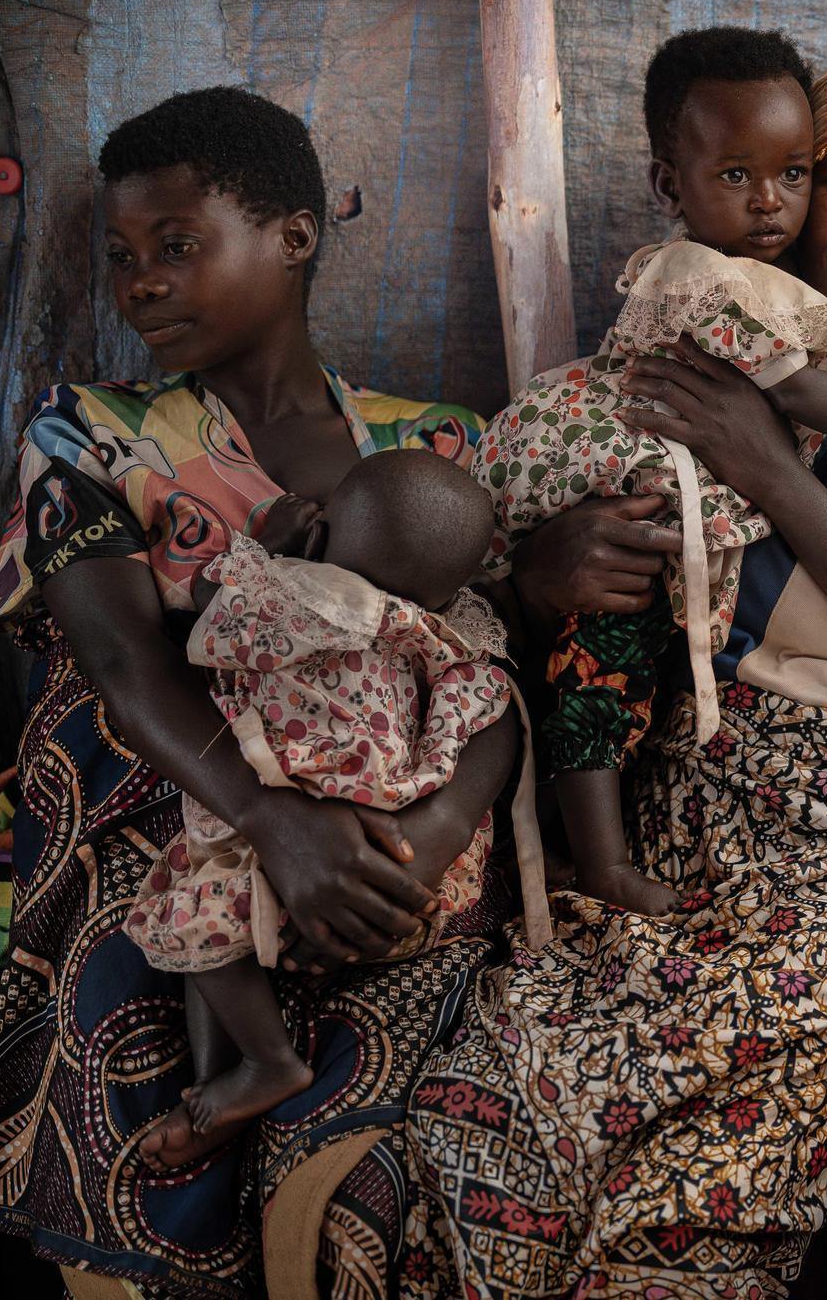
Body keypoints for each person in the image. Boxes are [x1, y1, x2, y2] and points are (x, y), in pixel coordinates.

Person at [402, 52, 827, 1298]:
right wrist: (552, 563)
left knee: (702, 1167)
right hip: (673, 835)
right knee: (485, 1104)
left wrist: (767, 471)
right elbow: (550, 539)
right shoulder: (695, 355)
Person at [0, 87, 518, 1299]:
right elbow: (116, 666)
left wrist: (424, 841)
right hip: (163, 804)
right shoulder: (89, 434)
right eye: (121, 258)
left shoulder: (440, 448)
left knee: (387, 1125)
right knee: (141, 1022)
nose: (139, 282)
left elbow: (489, 681)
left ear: (294, 238)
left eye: (177, 246)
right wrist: (272, 824)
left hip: (391, 845)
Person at [477, 28, 827, 918]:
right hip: (638, 479)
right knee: (600, 657)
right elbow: (798, 388)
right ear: (671, 184)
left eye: (793, 174)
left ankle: (587, 852)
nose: (771, 203)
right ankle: (592, 857)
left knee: (606, 662)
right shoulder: (718, 285)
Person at [122, 449, 514, 1170]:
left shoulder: (290, 594)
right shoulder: (436, 637)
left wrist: (271, 543)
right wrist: (439, 822)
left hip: (287, 861)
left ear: (324, 535)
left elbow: (204, 630)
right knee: (213, 919)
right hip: (404, 879)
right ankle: (219, 1081)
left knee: (199, 914)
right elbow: (480, 709)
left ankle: (265, 1062)